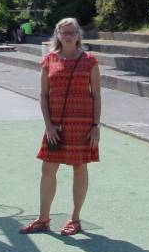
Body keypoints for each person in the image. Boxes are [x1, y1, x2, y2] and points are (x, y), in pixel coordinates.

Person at [20, 17, 101, 236]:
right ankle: (43, 219)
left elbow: (96, 95)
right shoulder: (49, 60)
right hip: (55, 125)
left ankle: (75, 219)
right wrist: (48, 126)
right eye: (64, 32)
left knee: (80, 167)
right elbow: (43, 95)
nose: (68, 36)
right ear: (57, 34)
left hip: (82, 123)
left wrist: (96, 126)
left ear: (78, 35)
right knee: (47, 168)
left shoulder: (90, 61)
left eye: (72, 32)